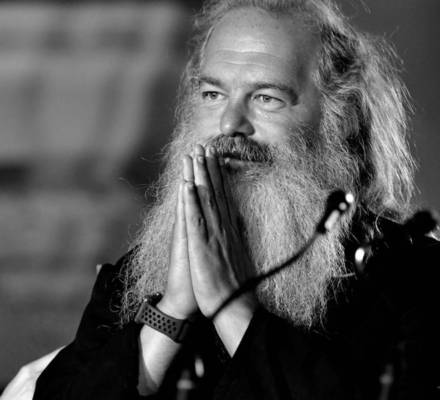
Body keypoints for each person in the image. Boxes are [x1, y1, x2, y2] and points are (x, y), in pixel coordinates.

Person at [32, 0, 439, 399]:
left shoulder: (413, 279)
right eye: (213, 94)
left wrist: (231, 307)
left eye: (266, 98)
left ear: (341, 116)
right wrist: (170, 312)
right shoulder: (134, 278)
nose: (229, 124)